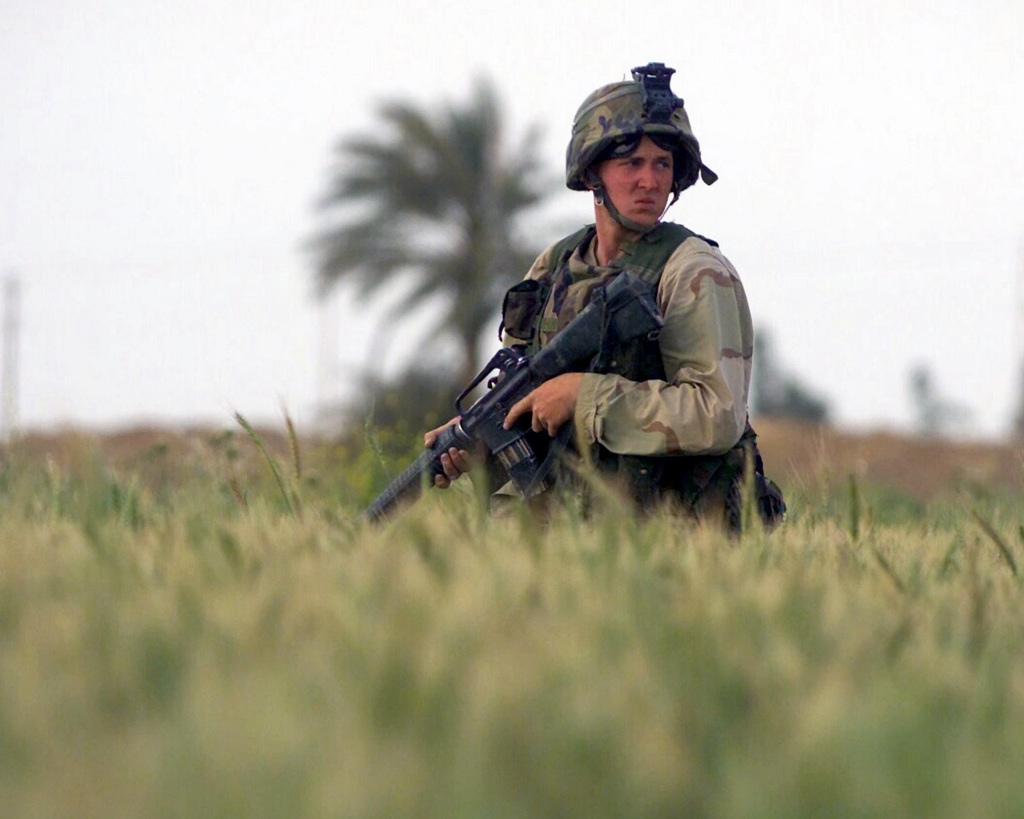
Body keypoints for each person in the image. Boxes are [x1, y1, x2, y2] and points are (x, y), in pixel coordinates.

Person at [425, 62, 784, 529]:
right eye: (631, 163)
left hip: (674, 533)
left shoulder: (694, 272)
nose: (650, 181)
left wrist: (586, 396)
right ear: (593, 171)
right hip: (563, 522)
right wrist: (475, 438)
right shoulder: (554, 267)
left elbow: (716, 415)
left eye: (662, 164)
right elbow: (522, 393)